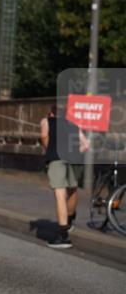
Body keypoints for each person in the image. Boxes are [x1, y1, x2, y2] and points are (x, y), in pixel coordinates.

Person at [40, 105, 89, 249]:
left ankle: (63, 236)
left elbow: (43, 136)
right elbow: (85, 145)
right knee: (72, 189)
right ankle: (70, 220)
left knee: (60, 194)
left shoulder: (46, 121)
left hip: (57, 160)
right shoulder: (74, 125)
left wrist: (50, 150)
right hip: (73, 160)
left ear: (51, 113)